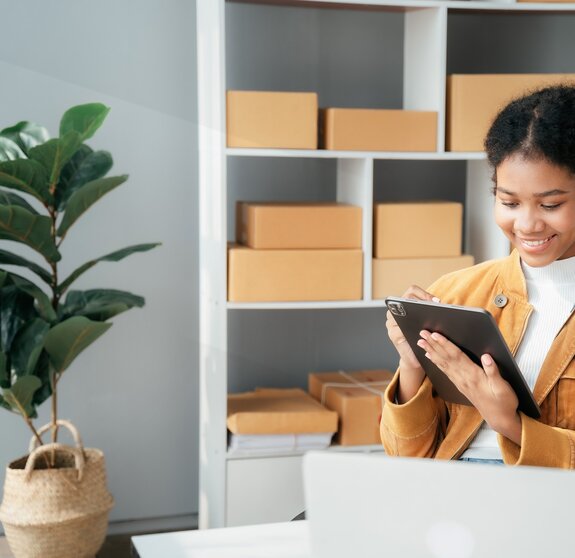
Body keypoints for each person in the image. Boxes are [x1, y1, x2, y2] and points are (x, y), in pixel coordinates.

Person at [380, 84, 575, 468]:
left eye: (550, 204)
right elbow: (405, 457)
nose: (527, 224)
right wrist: (413, 366)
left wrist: (509, 423)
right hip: (448, 495)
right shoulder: (457, 293)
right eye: (509, 202)